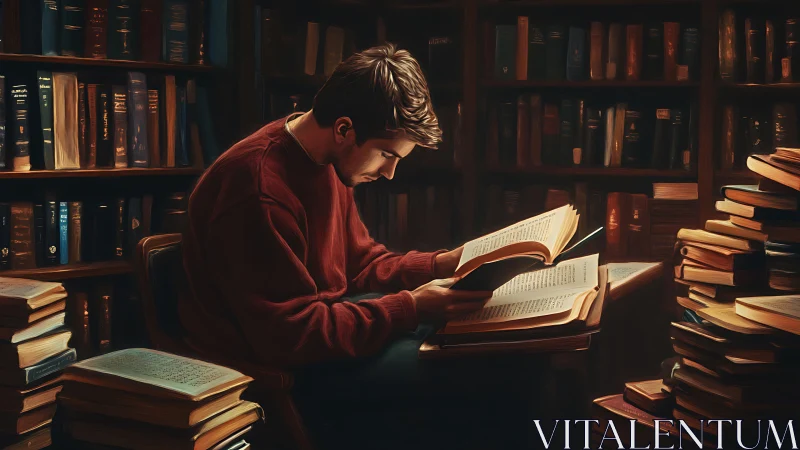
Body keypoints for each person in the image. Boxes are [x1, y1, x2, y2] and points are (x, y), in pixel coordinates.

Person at [180, 44, 514, 448]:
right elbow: (287, 337)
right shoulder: (259, 190)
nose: (390, 174)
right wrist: (410, 306)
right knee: (472, 373)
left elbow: (359, 265)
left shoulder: (324, 159)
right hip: (277, 372)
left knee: (481, 340)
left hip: (325, 332)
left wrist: (441, 263)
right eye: (387, 155)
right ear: (344, 129)